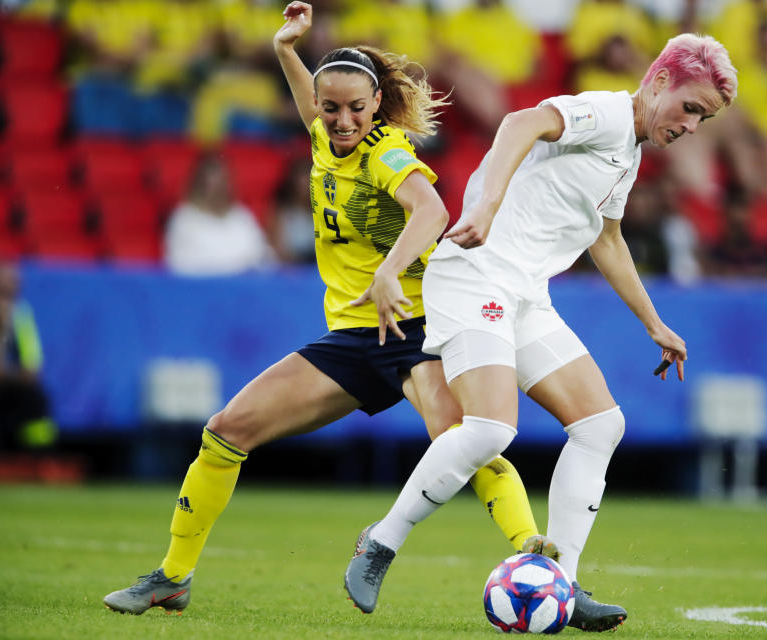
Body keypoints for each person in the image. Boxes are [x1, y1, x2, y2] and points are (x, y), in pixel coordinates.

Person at [103, 1, 549, 616]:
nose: (341, 120)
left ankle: (537, 558)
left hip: (416, 329)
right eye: (331, 107)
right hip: (352, 337)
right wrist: (287, 50)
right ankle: (171, 578)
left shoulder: (385, 152)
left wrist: (391, 271)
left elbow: (433, 212)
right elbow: (308, 103)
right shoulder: (322, 134)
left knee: (463, 438)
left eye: (355, 109)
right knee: (226, 431)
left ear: (377, 108)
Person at [344, 33, 737, 632]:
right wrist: (486, 204)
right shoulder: (607, 115)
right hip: (476, 275)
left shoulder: (626, 153)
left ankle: (565, 582)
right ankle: (381, 542)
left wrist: (655, 323)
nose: (691, 125)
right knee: (490, 428)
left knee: (601, 424)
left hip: (524, 294)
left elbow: (606, 239)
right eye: (690, 107)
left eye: (703, 118)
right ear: (658, 81)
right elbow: (521, 120)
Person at [163, 154, 277, 276]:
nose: (216, 188)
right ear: (197, 183)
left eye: (221, 181)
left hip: (243, 289)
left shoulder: (241, 215)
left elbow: (263, 255)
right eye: (209, 182)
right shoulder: (183, 218)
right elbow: (179, 264)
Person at [0, 262, 56, 452]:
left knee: (36, 397)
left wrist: (9, 375)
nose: (6, 302)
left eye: (11, 295)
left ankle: (37, 457)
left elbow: (32, 370)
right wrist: (1, 329)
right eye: (1, 293)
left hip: (13, 386)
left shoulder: (22, 315)